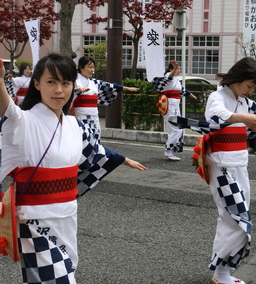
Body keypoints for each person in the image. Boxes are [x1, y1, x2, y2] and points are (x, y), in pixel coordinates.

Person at [0, 55, 146, 284]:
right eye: (51, 82)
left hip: (66, 214)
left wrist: (123, 158)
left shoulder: (74, 125)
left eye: (65, 83)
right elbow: (7, 108)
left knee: (65, 270)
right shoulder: (22, 121)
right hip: (32, 220)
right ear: (36, 84)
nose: (59, 90)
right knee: (58, 279)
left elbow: (96, 150)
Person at [171, 57, 256, 284]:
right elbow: (215, 118)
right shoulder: (217, 97)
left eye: (253, 88)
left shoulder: (245, 102)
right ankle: (221, 272)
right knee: (236, 217)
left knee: (233, 217)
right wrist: (243, 118)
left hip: (239, 164)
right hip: (221, 165)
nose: (250, 91)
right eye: (249, 86)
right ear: (238, 78)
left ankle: (221, 271)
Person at [73, 56, 140, 140]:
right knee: (84, 137)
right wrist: (79, 89)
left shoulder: (94, 82)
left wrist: (126, 88)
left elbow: (110, 86)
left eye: (93, 67)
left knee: (95, 136)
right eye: (90, 67)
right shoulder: (75, 80)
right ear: (81, 67)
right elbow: (73, 89)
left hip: (93, 114)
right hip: (80, 114)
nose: (92, 70)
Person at [152, 60, 197, 161]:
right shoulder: (168, 75)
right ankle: (168, 151)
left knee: (176, 128)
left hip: (175, 105)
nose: (179, 71)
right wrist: (174, 69)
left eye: (180, 69)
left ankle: (171, 151)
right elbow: (169, 77)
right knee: (176, 128)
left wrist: (191, 95)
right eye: (177, 69)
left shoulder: (176, 80)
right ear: (171, 69)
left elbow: (182, 90)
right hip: (169, 104)